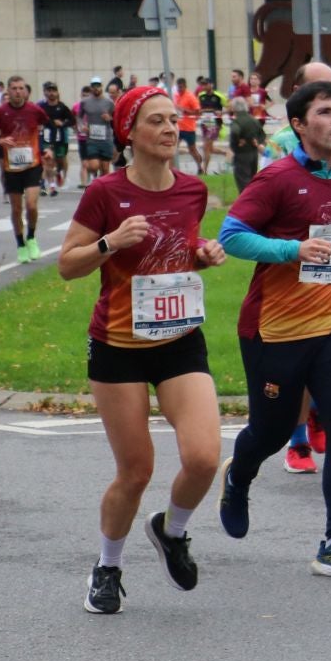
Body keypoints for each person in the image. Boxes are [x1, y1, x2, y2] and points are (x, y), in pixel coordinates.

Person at [58, 87, 227, 614]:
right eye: (157, 120)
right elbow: (68, 264)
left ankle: (172, 531)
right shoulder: (106, 193)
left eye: (174, 119)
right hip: (119, 347)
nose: (171, 128)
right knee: (136, 471)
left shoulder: (193, 190)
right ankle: (107, 566)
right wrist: (111, 242)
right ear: (130, 132)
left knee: (203, 458)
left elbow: (180, 253)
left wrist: (203, 255)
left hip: (179, 339)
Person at [215, 80, 331, 577]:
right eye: (326, 112)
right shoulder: (275, 179)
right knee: (269, 433)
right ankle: (239, 477)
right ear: (298, 125)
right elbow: (232, 237)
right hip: (275, 328)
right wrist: (291, 251)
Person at [0, 77, 49, 260]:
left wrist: (47, 147)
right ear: (8, 91)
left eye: (21, 88)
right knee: (16, 208)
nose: (18, 92)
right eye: (14, 88)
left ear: (25, 90)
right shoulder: (1, 112)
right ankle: (21, 244)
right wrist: (0, 140)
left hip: (32, 164)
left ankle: (31, 238)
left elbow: (46, 127)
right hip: (12, 167)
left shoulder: (34, 110)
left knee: (31, 205)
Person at [79, 83, 117, 185]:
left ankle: (102, 188)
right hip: (92, 139)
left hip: (106, 139)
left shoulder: (109, 102)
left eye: (98, 86)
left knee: (105, 168)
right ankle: (96, 177)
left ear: (101, 87)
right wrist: (82, 126)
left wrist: (110, 118)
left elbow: (116, 118)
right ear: (91, 88)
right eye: (94, 86)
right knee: (93, 166)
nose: (96, 88)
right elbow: (79, 117)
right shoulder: (85, 102)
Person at [228, 95, 265, 191]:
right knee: (252, 179)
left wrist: (236, 143)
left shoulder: (237, 121)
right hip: (253, 154)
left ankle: (246, 202)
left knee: (243, 181)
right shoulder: (254, 120)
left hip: (241, 154)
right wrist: (258, 142)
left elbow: (235, 132)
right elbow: (262, 134)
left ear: (234, 108)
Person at [196, 76, 226, 175]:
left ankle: (204, 170)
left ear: (211, 85)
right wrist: (200, 112)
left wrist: (221, 113)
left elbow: (228, 107)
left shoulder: (218, 96)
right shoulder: (201, 95)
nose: (204, 86)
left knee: (206, 147)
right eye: (202, 84)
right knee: (210, 149)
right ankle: (227, 154)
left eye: (206, 84)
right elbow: (198, 108)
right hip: (204, 123)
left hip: (214, 124)